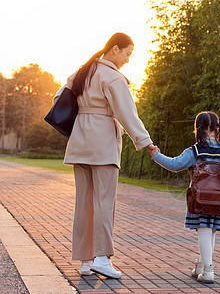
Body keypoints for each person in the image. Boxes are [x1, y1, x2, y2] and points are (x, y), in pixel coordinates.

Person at [52, 33, 158, 279]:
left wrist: (82, 118)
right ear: (115, 49)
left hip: (80, 143)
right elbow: (127, 114)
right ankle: (102, 258)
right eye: (127, 54)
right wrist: (146, 143)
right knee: (104, 203)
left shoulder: (83, 71)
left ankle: (86, 261)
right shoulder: (113, 77)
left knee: (84, 205)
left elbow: (58, 99)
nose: (128, 60)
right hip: (103, 146)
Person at [148, 111, 220, 284]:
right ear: (217, 127)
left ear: (198, 128)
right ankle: (202, 266)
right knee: (211, 231)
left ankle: (209, 270)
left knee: (204, 229)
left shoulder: (195, 151)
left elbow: (174, 165)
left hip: (200, 199)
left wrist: (155, 155)